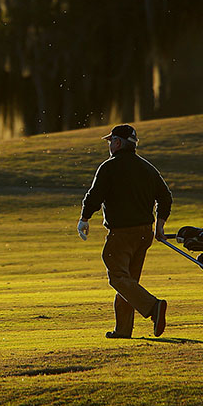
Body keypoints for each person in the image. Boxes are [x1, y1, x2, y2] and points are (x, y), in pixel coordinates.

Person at [78, 124, 173, 339]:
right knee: (129, 283)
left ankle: (153, 307)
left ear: (118, 143)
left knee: (119, 278)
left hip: (122, 234)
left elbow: (94, 196)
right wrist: (160, 225)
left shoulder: (109, 167)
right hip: (144, 233)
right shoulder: (147, 168)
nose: (110, 145)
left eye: (111, 141)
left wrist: (84, 218)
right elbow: (165, 197)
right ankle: (123, 331)